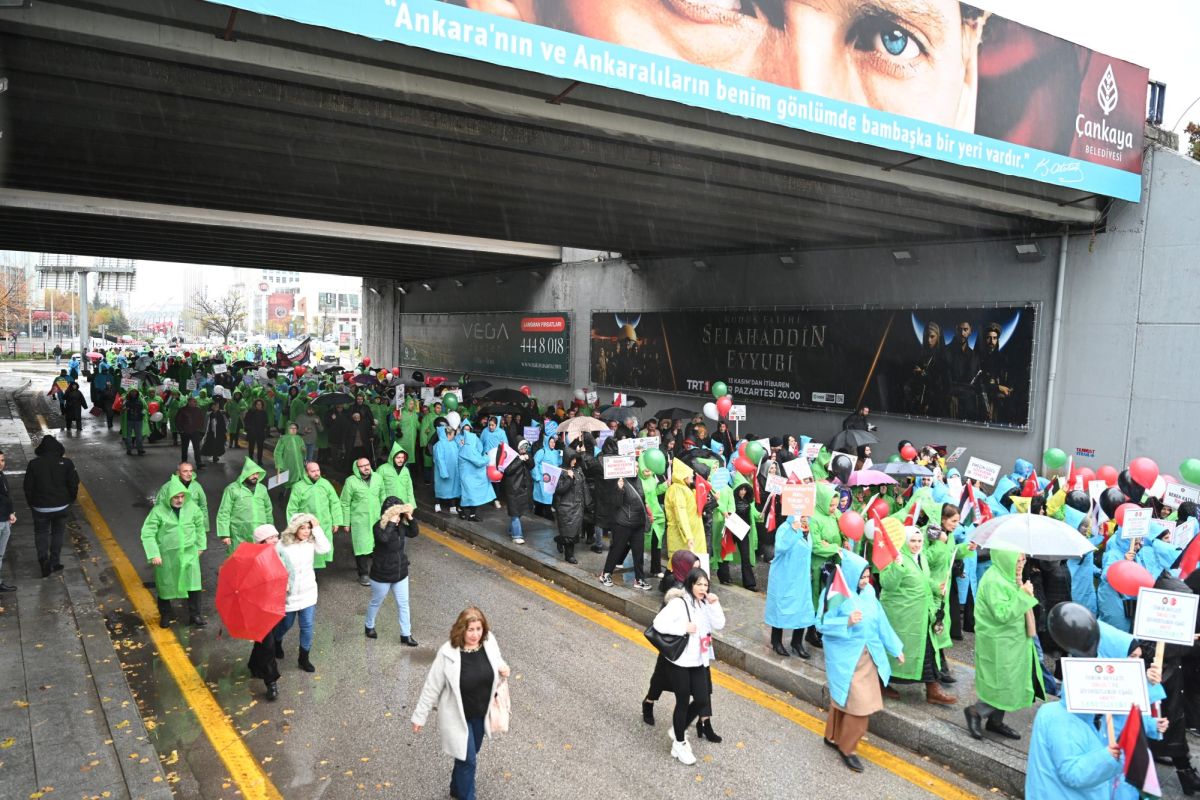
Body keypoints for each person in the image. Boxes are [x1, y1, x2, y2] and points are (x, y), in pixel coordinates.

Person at [819, 549, 905, 773]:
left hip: (868, 656)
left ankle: (833, 736)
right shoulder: (836, 593)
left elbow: (881, 622)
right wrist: (846, 621)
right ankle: (848, 749)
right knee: (859, 706)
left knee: (847, 701)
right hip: (846, 657)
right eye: (862, 577)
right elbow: (821, 624)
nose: (866, 581)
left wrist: (895, 648)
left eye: (868, 576)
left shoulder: (868, 593)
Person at [412, 607, 510, 800]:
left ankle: (456, 788)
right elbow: (432, 686)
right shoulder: (448, 653)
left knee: (466, 755)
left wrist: (501, 666)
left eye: (478, 629)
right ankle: (467, 796)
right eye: (470, 630)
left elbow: (496, 658)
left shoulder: (489, 642)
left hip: (481, 715)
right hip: (457, 718)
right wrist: (419, 716)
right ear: (461, 630)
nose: (475, 635)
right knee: (469, 761)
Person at [965, 547, 1043, 740]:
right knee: (1003, 681)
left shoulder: (1008, 575)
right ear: (1006, 558)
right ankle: (975, 712)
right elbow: (1003, 614)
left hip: (1014, 641)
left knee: (1011, 681)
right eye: (1018, 559)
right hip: (999, 642)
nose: (1022, 561)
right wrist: (1024, 595)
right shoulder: (994, 580)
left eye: (1023, 558)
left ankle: (995, 721)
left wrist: (1023, 590)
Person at [651, 566, 726, 765]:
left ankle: (678, 729)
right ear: (690, 584)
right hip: (680, 662)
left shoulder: (705, 605)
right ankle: (680, 742)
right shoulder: (679, 604)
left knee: (702, 700)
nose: (703, 588)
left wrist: (715, 604)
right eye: (699, 584)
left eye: (705, 584)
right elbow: (658, 623)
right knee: (683, 701)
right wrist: (682, 627)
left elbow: (719, 624)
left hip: (699, 661)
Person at [879, 526, 957, 705]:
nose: (916, 545)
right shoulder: (896, 557)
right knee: (897, 651)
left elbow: (923, 579)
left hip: (921, 616)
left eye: (919, 541)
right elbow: (887, 584)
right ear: (905, 541)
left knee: (928, 650)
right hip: (903, 617)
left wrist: (937, 587)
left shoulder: (921, 557)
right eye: (912, 541)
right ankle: (880, 682)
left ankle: (933, 689)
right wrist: (896, 566)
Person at [642, 550, 701, 725]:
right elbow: (660, 623)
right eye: (693, 569)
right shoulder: (675, 589)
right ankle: (649, 702)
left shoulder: (696, 586)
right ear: (684, 569)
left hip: (691, 648)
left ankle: (697, 722)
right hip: (673, 645)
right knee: (660, 679)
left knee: (696, 688)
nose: (697, 574)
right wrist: (683, 628)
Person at [140, 475, 207, 627]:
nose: (180, 500)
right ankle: (165, 615)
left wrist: (201, 545)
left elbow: (200, 527)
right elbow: (148, 533)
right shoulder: (158, 511)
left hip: (189, 553)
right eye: (176, 497)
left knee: (193, 585)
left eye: (182, 496)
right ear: (169, 497)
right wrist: (154, 554)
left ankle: (195, 615)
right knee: (165, 585)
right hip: (167, 556)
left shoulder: (192, 508)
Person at [272, 513, 331, 673]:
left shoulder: (311, 542)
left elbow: (326, 548)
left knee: (307, 626)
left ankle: (303, 658)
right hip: (289, 594)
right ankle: (277, 641)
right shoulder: (282, 545)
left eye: (309, 528)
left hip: (308, 591)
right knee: (286, 624)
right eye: (303, 528)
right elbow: (273, 565)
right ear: (295, 528)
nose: (306, 531)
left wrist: (317, 528)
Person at [364, 496, 419, 645]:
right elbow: (383, 539)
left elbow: (414, 532)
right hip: (382, 574)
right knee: (376, 602)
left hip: (400, 572)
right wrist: (390, 522)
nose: (398, 518)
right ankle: (369, 625)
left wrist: (410, 517)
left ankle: (406, 634)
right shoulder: (378, 526)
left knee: (404, 604)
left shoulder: (401, 526)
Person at [23, 435, 79, 578]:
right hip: (61, 506)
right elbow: (73, 484)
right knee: (58, 533)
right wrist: (71, 499)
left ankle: (43, 560)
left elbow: (28, 487)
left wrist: (32, 502)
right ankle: (55, 562)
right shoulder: (67, 463)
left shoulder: (34, 464)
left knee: (41, 533)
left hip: (40, 507)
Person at [765, 514, 816, 658]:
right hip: (785, 576)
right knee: (781, 608)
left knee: (802, 609)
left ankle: (797, 642)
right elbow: (781, 547)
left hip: (801, 577)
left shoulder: (808, 528)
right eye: (802, 514)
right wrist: (794, 531)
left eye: (807, 514)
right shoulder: (785, 528)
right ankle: (776, 642)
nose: (805, 517)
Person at [246, 524, 284, 701]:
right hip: (257, 610)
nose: (275, 540)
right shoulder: (252, 560)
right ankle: (271, 682)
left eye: (276, 536)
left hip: (273, 606)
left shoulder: (276, 554)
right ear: (261, 541)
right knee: (268, 645)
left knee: (262, 643)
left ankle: (254, 665)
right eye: (270, 538)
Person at [286, 462, 345, 571]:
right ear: (306, 473)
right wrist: (294, 526)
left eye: (318, 470)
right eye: (313, 471)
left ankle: (315, 573)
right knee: (308, 550)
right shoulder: (298, 487)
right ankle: (310, 574)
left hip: (325, 524)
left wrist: (336, 521)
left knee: (321, 548)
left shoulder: (325, 484)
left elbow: (335, 502)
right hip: (307, 527)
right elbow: (292, 508)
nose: (316, 473)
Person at [599, 474, 651, 590]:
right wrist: (619, 489)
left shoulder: (639, 481)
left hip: (638, 523)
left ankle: (639, 579)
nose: (636, 468)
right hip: (623, 523)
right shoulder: (619, 480)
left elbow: (641, 499)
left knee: (638, 552)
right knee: (616, 549)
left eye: (638, 466)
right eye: (634, 466)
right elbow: (615, 503)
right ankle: (606, 574)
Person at [215, 459, 273, 553]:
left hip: (260, 533)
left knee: (258, 560)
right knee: (239, 560)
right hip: (239, 534)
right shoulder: (232, 489)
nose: (255, 476)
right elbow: (224, 512)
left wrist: (270, 529)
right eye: (252, 473)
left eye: (257, 473)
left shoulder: (262, 489)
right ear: (245, 474)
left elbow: (268, 510)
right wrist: (225, 534)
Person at [341, 456, 383, 586]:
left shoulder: (378, 478)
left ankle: (377, 570)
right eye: (362, 466)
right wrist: (346, 522)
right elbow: (345, 503)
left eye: (368, 464)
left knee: (377, 545)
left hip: (376, 518)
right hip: (360, 520)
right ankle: (363, 574)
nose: (366, 467)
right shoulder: (351, 482)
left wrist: (386, 516)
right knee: (361, 546)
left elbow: (383, 496)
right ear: (357, 468)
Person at [665, 458, 706, 563]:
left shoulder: (686, 488)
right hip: (683, 538)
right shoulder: (677, 489)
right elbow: (680, 514)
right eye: (689, 474)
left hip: (692, 536)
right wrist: (688, 537)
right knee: (679, 568)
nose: (692, 476)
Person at [155, 462, 210, 541]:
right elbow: (159, 507)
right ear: (178, 473)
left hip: (191, 527)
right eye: (185, 471)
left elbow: (203, 506)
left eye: (191, 471)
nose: (189, 474)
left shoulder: (196, 486)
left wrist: (204, 527)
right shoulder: (167, 487)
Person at [553, 450, 588, 564]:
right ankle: (569, 556)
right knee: (569, 534)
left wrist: (588, 502)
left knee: (574, 533)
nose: (574, 461)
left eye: (575, 459)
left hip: (578, 506)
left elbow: (583, 486)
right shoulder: (560, 471)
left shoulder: (578, 469)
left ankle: (559, 539)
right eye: (572, 459)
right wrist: (569, 478)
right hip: (566, 507)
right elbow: (559, 490)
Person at [456, 422, 495, 521]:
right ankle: (463, 511)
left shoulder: (467, 448)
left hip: (469, 476)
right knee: (470, 495)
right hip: (469, 477)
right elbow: (479, 462)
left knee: (471, 496)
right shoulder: (468, 449)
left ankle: (470, 514)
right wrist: (487, 456)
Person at [501, 440, 534, 544]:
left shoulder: (526, 455)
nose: (524, 449)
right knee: (515, 513)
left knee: (518, 513)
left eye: (526, 447)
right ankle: (517, 536)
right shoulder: (510, 455)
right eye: (522, 447)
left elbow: (532, 465)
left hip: (523, 489)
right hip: (512, 489)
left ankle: (512, 530)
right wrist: (519, 460)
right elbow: (508, 470)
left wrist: (527, 459)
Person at [433, 425, 461, 516]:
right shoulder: (439, 445)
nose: (454, 436)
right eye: (453, 434)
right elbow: (439, 460)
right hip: (443, 472)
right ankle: (437, 504)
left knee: (452, 489)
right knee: (440, 489)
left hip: (453, 472)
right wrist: (443, 472)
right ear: (448, 434)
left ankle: (452, 506)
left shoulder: (453, 443)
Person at [273, 422, 306, 496]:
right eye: (291, 428)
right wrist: (279, 465)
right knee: (287, 483)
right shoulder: (283, 439)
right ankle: (283, 498)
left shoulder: (299, 438)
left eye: (295, 428)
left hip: (299, 466)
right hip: (288, 466)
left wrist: (304, 450)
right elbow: (277, 453)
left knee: (298, 482)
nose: (293, 430)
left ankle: (295, 499)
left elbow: (303, 451)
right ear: (288, 429)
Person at [176, 396, 206, 469]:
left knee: (197, 448)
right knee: (184, 448)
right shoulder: (183, 410)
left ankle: (198, 463)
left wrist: (200, 430)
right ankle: (184, 462)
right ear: (189, 402)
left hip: (195, 431)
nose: (194, 403)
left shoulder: (198, 410)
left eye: (195, 402)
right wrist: (181, 430)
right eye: (193, 401)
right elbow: (177, 420)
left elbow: (201, 420)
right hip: (185, 432)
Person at [0, 450, 14, 592]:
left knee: (0, 554)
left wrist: (10, 512)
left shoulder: (1, 476)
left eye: (2, 460)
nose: (1, 464)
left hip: (5, 520)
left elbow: (6, 497)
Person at [200, 397, 228, 464]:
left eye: (217, 406)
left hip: (219, 432)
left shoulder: (221, 414)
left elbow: (224, 422)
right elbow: (207, 423)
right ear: (212, 407)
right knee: (211, 444)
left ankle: (215, 456)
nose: (216, 407)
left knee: (218, 444)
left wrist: (223, 430)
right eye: (214, 406)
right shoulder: (209, 414)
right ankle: (214, 456)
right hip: (211, 432)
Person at [120, 389, 147, 456]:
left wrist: (143, 413)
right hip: (132, 420)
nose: (133, 393)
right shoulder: (139, 400)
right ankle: (136, 450)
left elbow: (145, 408)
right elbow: (145, 408)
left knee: (135, 436)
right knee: (134, 436)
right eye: (132, 391)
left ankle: (135, 450)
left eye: (135, 391)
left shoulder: (128, 400)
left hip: (136, 420)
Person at [243, 398, 269, 464]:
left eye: (260, 404)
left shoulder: (264, 412)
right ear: (255, 405)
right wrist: (249, 428)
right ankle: (251, 458)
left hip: (260, 432)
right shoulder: (251, 411)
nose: (259, 406)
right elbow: (246, 420)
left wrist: (264, 429)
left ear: (262, 405)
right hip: (252, 432)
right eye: (257, 404)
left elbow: (266, 422)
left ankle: (259, 460)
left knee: (260, 447)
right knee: (251, 446)